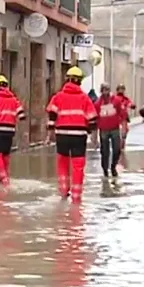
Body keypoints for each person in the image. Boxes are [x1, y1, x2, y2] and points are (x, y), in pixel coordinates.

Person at [45, 67, 97, 204]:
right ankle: (76, 196)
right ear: (80, 82)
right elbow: (92, 119)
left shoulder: (58, 97)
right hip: (79, 136)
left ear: (67, 79)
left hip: (62, 135)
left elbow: (52, 116)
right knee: (78, 166)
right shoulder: (85, 98)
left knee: (62, 162)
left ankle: (63, 191)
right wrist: (92, 136)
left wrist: (49, 134)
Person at [0, 75, 26, 185]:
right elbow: (22, 115)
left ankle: (3, 178)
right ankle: (5, 177)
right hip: (9, 131)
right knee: (5, 155)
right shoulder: (14, 99)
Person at [93, 83, 126, 178]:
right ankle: (105, 169)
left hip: (115, 128)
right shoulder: (98, 104)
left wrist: (123, 128)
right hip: (103, 130)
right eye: (103, 90)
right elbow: (95, 119)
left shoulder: (116, 101)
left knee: (117, 149)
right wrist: (94, 136)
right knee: (104, 151)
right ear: (101, 91)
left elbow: (123, 115)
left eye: (107, 90)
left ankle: (113, 166)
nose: (105, 92)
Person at [114, 84, 135, 149]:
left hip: (123, 117)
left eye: (122, 89)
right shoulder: (114, 98)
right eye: (120, 89)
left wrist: (132, 105)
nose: (121, 90)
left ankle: (122, 142)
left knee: (125, 131)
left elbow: (130, 103)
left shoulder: (125, 99)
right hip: (116, 117)